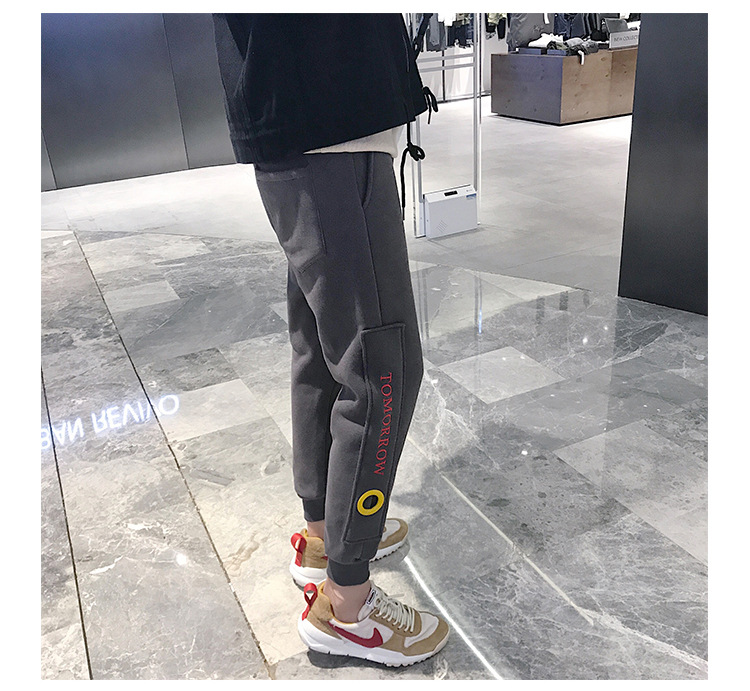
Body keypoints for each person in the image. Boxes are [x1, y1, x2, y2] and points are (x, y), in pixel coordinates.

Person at [212, 13, 449, 667]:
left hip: (301, 109)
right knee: (381, 368)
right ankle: (349, 603)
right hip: (329, 109)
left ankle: (325, 536)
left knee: (322, 351)